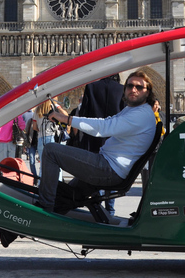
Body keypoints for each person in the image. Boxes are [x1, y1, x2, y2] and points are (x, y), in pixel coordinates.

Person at [37, 71, 156, 213]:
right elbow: (108, 121)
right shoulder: (134, 110)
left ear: (148, 92)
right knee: (68, 195)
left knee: (51, 151)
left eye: (139, 87)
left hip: (109, 168)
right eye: (129, 86)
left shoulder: (141, 114)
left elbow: (105, 127)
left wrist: (67, 119)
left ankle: (45, 208)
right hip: (109, 165)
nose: (133, 89)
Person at [74, 74, 125, 215]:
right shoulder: (122, 89)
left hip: (94, 139)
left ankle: (98, 206)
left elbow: (83, 115)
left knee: (97, 173)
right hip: (114, 139)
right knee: (112, 170)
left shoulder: (91, 87)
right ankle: (111, 209)